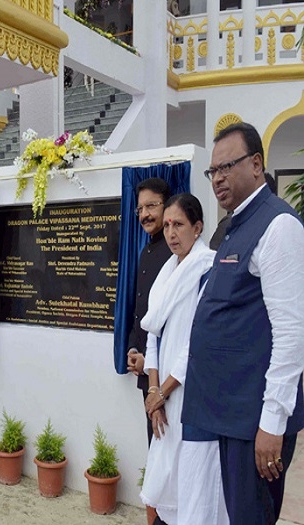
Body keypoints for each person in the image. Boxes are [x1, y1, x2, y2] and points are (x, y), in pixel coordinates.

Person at [183, 122, 304, 525]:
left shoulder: (278, 226)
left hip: (253, 421)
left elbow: (291, 334)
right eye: (212, 171)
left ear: (255, 164)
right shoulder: (235, 226)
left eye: (226, 167)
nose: (217, 178)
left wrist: (272, 423)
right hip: (229, 414)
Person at [139, 193, 227, 524]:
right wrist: (153, 391)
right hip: (163, 395)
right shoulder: (167, 273)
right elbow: (153, 333)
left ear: (198, 227)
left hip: (190, 392)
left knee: (191, 480)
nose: (171, 233)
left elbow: (196, 342)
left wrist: (164, 391)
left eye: (179, 224)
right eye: (167, 226)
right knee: (165, 479)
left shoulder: (207, 270)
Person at [126, 178, 172, 448]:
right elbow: (140, 308)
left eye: (151, 206)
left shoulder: (174, 253)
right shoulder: (146, 250)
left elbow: (174, 322)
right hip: (145, 369)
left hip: (165, 376)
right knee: (154, 445)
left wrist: (149, 360)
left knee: (166, 445)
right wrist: (134, 348)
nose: (145, 214)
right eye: (140, 209)